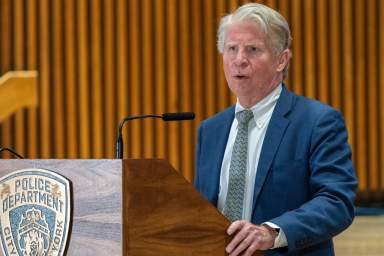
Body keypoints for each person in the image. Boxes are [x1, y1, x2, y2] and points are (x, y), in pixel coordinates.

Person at [194, 3, 357, 256]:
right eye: (231, 49)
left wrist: (272, 232)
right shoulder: (210, 130)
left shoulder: (317, 122)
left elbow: (336, 202)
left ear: (281, 60)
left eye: (253, 49)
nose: (239, 60)